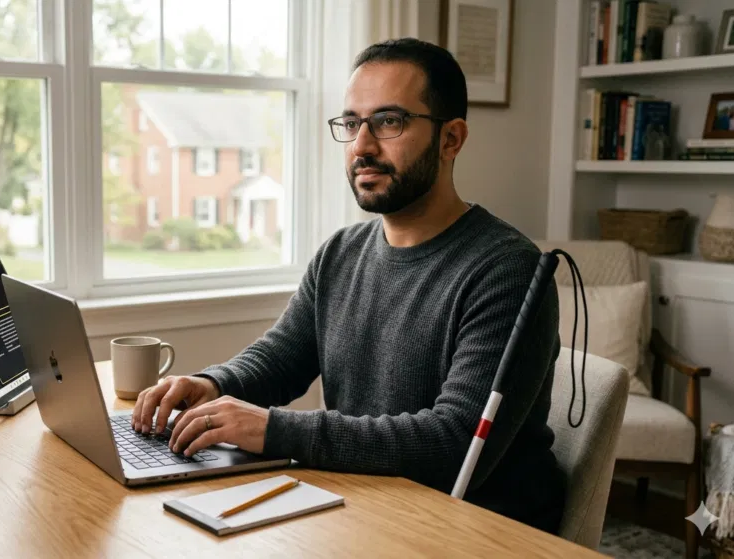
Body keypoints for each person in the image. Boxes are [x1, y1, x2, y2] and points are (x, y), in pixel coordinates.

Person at [131, 38, 565, 534]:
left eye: (389, 121)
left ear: (451, 139)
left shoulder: (508, 271)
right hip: (364, 507)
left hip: (474, 532)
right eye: (353, 123)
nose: (361, 146)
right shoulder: (341, 252)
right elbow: (282, 357)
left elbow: (455, 444)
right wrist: (212, 385)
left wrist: (273, 430)